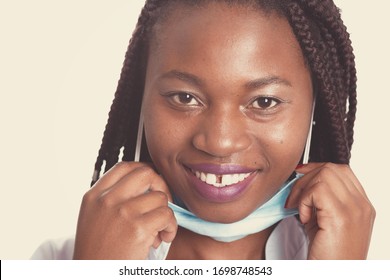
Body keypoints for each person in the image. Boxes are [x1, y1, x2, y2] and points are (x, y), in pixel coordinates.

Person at [31, 0, 375, 260]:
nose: (220, 142)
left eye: (265, 102)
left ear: (314, 111)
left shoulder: (347, 261)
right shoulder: (61, 262)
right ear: (141, 101)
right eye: (185, 97)